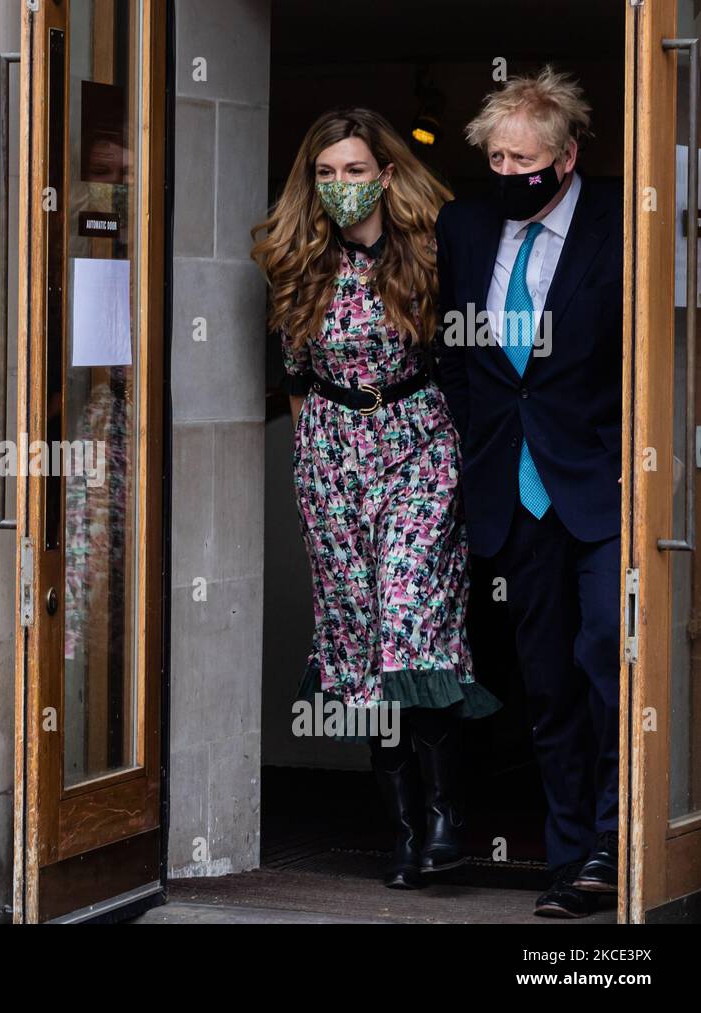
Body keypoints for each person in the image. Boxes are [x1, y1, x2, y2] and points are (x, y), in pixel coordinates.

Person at [252, 108, 501, 890]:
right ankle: (401, 831)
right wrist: (315, 462)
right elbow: (294, 377)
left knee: (410, 622)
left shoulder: (430, 251)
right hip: (330, 455)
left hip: (418, 444)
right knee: (358, 646)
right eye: (326, 174)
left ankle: (445, 818)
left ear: (385, 175)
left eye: (354, 171)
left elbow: (465, 358)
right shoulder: (299, 260)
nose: (340, 187)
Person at [434, 67, 621, 918]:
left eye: (526, 159)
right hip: (513, 490)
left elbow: (653, 349)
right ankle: (573, 858)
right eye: (497, 158)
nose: (510, 173)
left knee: (607, 662)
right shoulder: (466, 227)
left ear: (569, 155)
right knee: (546, 684)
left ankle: (624, 847)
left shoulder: (622, 220)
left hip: (606, 487)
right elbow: (462, 364)